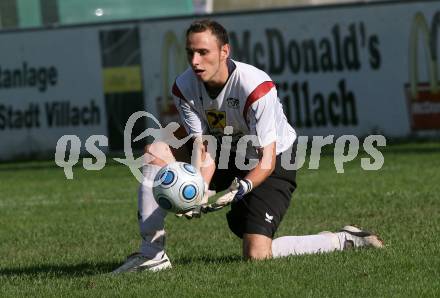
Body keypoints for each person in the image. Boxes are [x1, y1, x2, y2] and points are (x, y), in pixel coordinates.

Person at [112, 19, 383, 273]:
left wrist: (243, 187)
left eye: (203, 52)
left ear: (224, 51)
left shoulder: (256, 87)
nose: (195, 61)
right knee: (156, 152)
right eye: (190, 53)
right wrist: (199, 189)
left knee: (256, 253)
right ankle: (152, 254)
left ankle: (344, 240)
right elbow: (202, 147)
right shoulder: (185, 86)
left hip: (273, 160)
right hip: (227, 151)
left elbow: (267, 160)